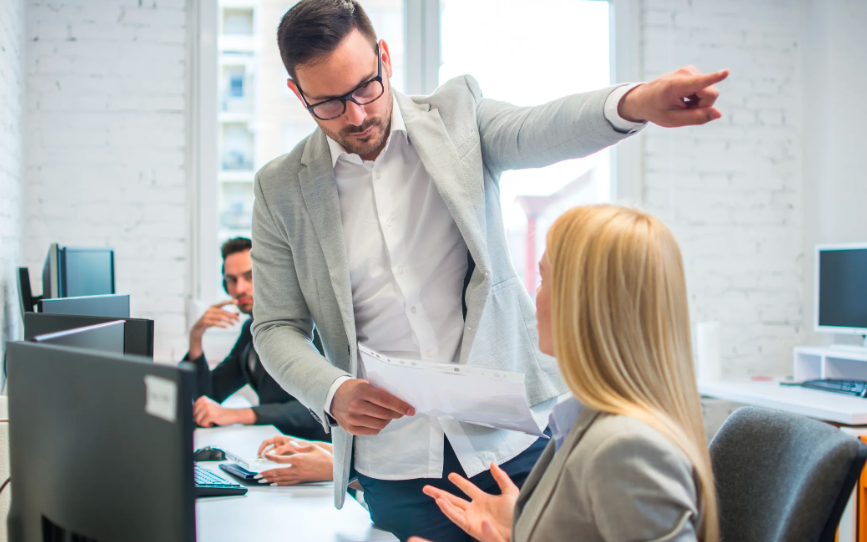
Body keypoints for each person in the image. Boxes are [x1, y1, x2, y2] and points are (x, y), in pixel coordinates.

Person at [250, 1, 727, 539]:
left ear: (384, 58)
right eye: (329, 104)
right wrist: (333, 390)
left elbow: (537, 129)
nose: (357, 115)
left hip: (511, 437)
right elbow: (275, 326)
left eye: (366, 88)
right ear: (298, 94)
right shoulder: (280, 187)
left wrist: (635, 103)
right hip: (396, 464)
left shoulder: (457, 115)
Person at [412, 205, 719, 542]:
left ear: (584, 303)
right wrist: (524, 528)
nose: (536, 295)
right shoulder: (592, 422)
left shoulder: (627, 448)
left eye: (544, 279)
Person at [184, 237, 329, 442]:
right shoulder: (250, 330)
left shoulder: (308, 326)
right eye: (231, 280)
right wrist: (196, 336)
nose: (239, 289)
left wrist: (240, 415)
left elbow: (323, 406)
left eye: (249, 277)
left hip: (315, 449)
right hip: (275, 443)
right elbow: (210, 395)